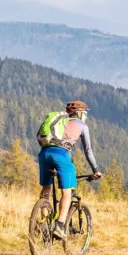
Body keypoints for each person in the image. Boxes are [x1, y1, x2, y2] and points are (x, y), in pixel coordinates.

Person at [36, 100, 102, 239]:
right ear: (79, 113)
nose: (86, 116)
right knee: (67, 192)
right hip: (61, 155)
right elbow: (88, 151)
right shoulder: (82, 126)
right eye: (85, 113)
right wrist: (95, 170)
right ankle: (60, 226)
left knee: (46, 188)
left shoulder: (60, 122)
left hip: (44, 153)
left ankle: (43, 223)